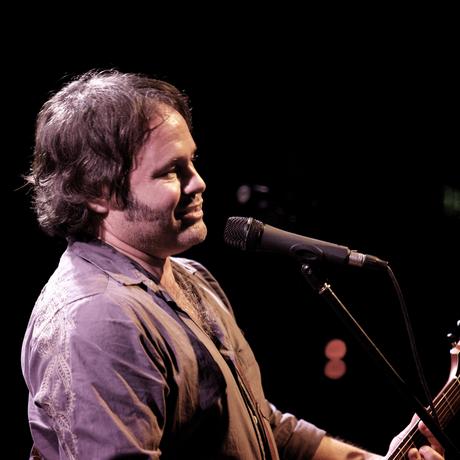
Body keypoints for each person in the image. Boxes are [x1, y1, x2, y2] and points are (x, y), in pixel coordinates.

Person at [21, 69, 445, 459]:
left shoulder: (191, 277)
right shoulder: (96, 320)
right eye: (171, 171)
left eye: (192, 161)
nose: (198, 182)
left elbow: (262, 428)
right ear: (97, 193)